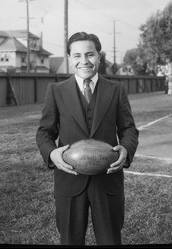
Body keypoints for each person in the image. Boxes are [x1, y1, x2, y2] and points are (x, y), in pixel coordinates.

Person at [36, 32, 139, 246]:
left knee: (110, 240)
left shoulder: (116, 89)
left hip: (108, 179)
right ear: (70, 58)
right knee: (71, 241)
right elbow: (45, 132)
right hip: (69, 180)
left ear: (99, 57)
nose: (84, 61)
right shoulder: (55, 90)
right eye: (77, 55)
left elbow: (129, 128)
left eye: (90, 54)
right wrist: (52, 152)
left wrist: (126, 149)